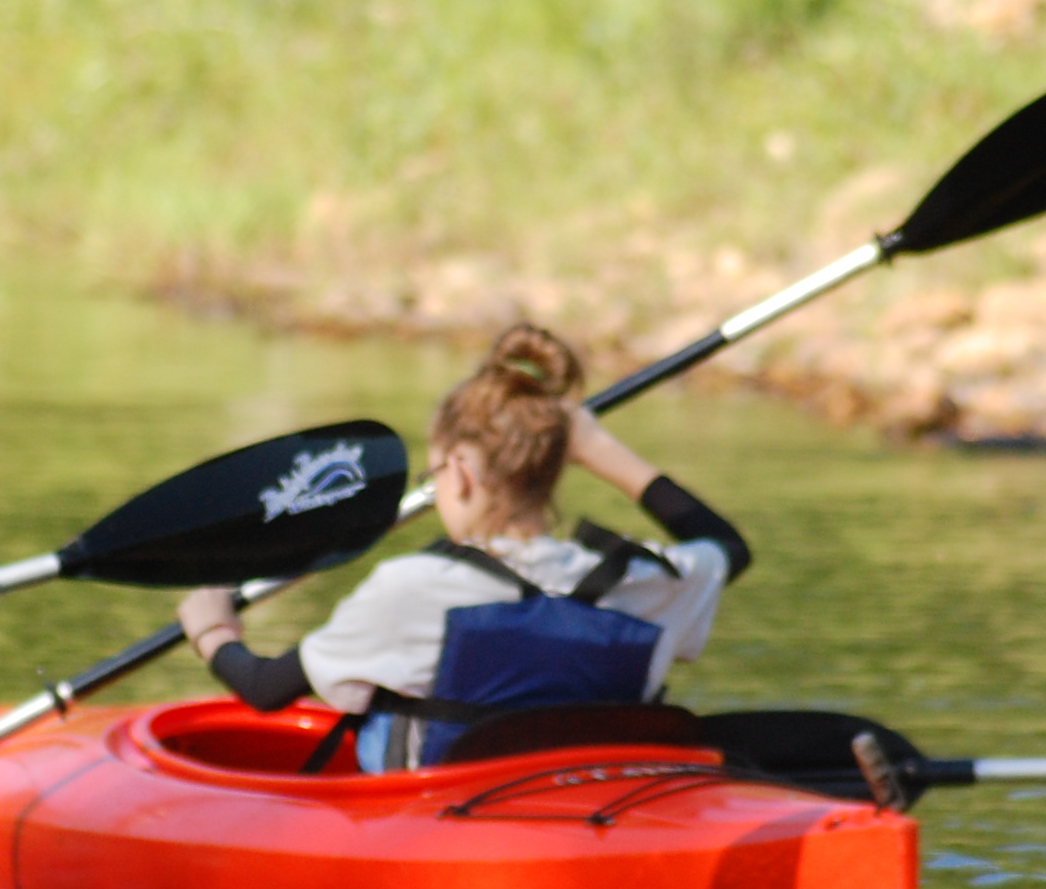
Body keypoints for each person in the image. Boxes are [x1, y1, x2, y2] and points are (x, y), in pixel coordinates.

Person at [174, 324, 749, 772]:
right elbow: (728, 547)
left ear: (462, 472)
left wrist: (212, 629)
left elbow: (266, 688)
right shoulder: (636, 578)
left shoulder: (411, 588)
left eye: (433, 474)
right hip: (595, 799)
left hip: (440, 811)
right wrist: (598, 447)